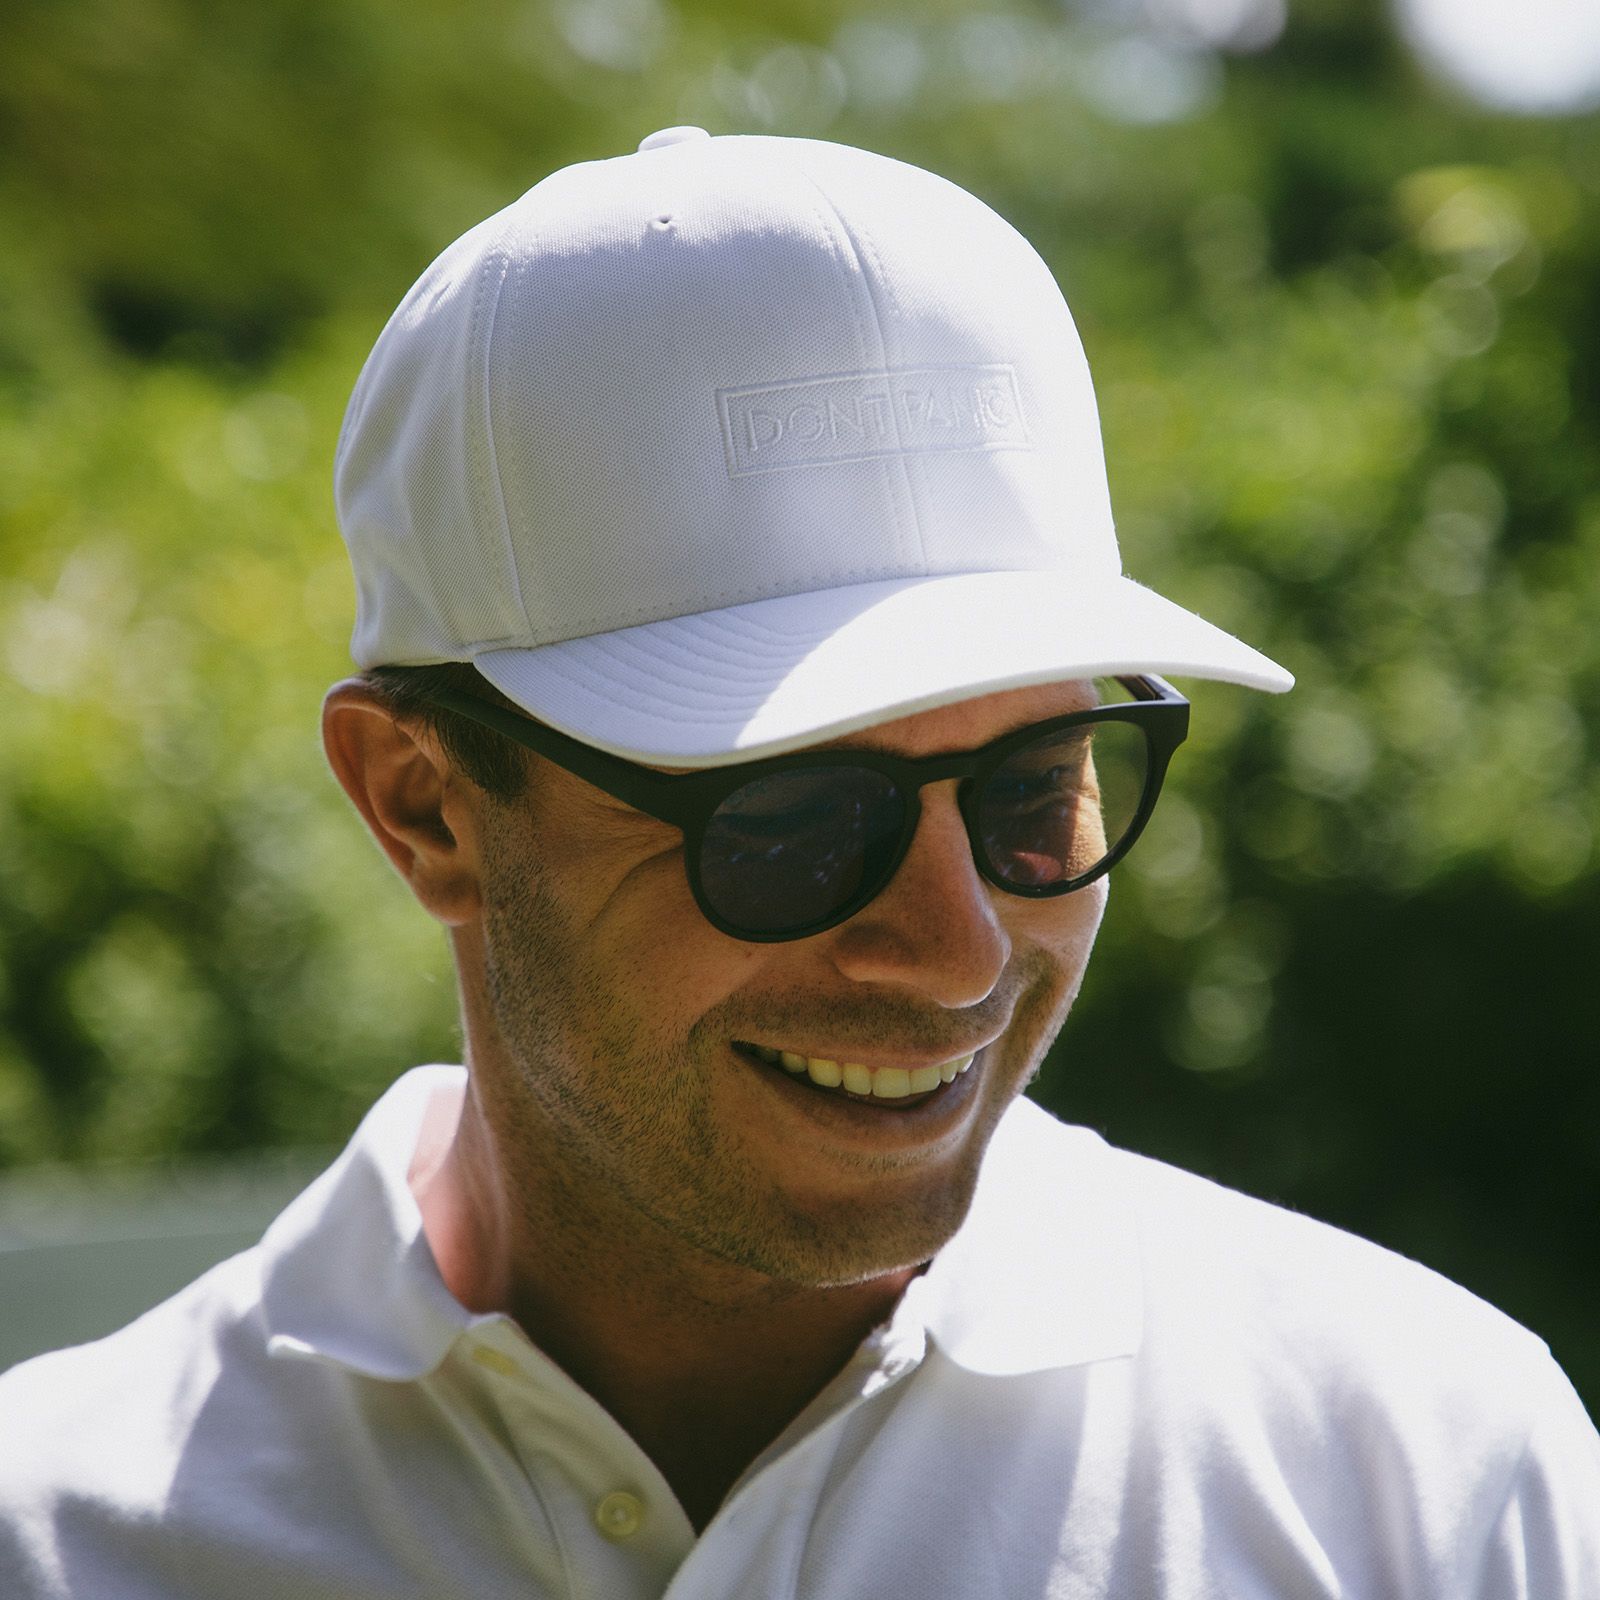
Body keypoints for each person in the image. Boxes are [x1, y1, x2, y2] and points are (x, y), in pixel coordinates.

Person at [2, 127, 1596, 1599]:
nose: (962, 952)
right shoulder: (63, 1540)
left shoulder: (1424, 1480)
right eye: (790, 823)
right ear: (421, 805)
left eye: (1036, 791)